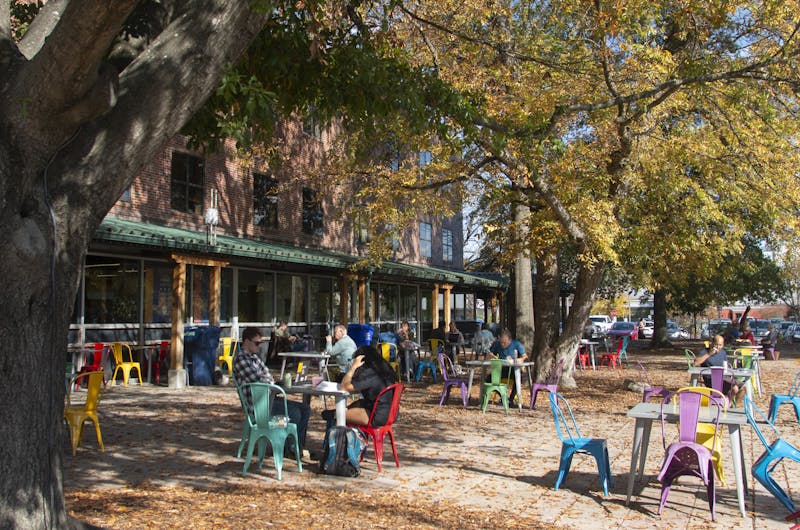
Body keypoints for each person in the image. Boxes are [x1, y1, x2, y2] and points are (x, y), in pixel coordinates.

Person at [233, 327, 311, 459]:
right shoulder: (241, 359)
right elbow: (258, 381)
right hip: (258, 405)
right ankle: (291, 449)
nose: (260, 347)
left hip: (268, 397)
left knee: (305, 409)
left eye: (261, 344)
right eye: (257, 343)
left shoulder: (255, 358)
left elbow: (268, 377)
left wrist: (270, 383)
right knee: (294, 413)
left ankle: (295, 445)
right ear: (246, 341)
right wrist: (270, 383)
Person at [325, 345, 398, 427]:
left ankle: (338, 436)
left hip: (377, 416)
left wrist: (353, 367)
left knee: (331, 415)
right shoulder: (385, 370)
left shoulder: (369, 373)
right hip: (391, 413)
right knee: (356, 404)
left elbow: (344, 387)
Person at [694, 334, 745, 403]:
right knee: (735, 388)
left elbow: (726, 366)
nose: (718, 347)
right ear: (712, 343)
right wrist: (709, 354)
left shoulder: (723, 352)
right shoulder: (705, 352)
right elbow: (696, 363)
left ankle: (731, 406)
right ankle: (728, 405)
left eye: (720, 345)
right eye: (716, 345)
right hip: (711, 380)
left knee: (742, 388)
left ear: (723, 345)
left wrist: (729, 369)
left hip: (724, 377)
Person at [487, 328, 528, 406]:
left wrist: (520, 359)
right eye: (501, 342)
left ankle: (511, 399)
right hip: (502, 369)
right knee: (489, 379)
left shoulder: (516, 344)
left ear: (510, 340)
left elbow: (525, 356)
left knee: (518, 378)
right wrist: (491, 355)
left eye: (505, 342)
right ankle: (503, 397)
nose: (503, 344)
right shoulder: (497, 344)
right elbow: (491, 354)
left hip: (513, 369)